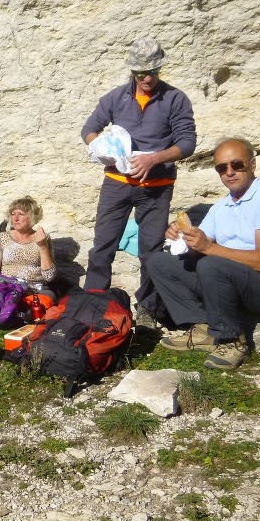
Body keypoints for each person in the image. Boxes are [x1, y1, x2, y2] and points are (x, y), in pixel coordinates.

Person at [147, 138, 260, 369]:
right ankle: (202, 328)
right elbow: (199, 248)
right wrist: (182, 237)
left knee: (212, 264)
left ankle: (231, 339)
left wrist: (208, 249)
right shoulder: (222, 206)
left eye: (236, 164)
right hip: (235, 281)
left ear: (252, 165)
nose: (229, 172)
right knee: (160, 262)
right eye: (222, 168)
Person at [81, 37, 197, 326]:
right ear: (131, 71)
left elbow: (188, 143)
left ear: (160, 69)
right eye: (140, 72)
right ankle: (92, 304)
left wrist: (153, 159)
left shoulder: (175, 99)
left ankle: (148, 311)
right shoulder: (115, 97)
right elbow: (88, 129)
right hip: (116, 184)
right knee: (103, 245)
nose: (146, 78)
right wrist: (104, 149)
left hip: (157, 189)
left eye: (152, 72)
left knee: (151, 252)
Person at [0, 196, 56, 287]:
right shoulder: (3, 237)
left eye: (21, 214)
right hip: (7, 288)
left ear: (32, 217)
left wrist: (42, 247)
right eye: (13, 214)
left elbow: (49, 276)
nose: (15, 218)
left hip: (34, 289)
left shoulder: (42, 238)